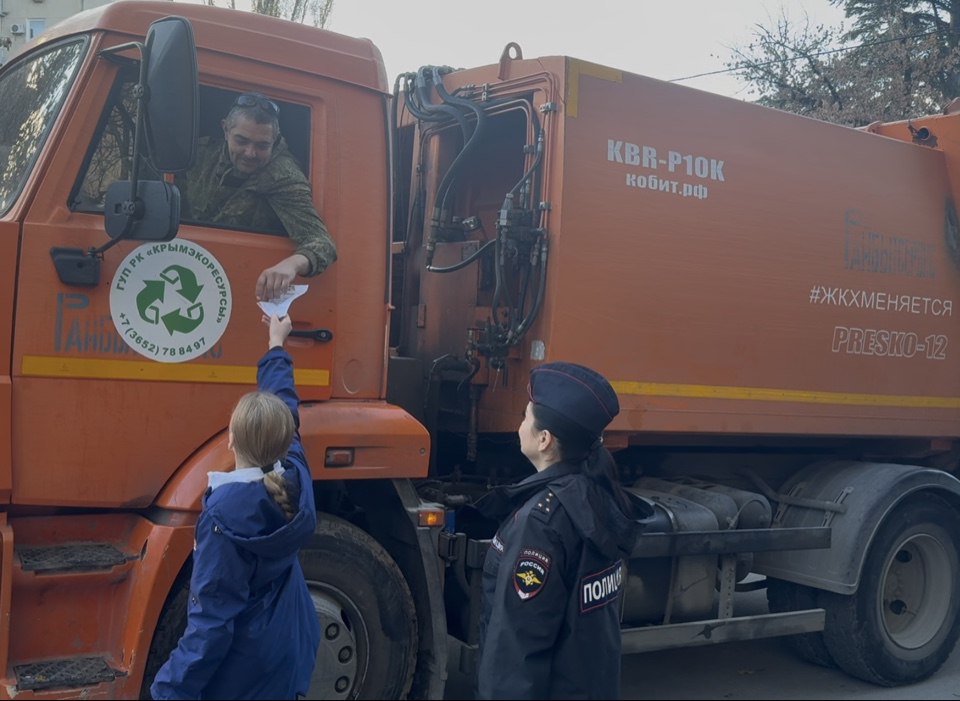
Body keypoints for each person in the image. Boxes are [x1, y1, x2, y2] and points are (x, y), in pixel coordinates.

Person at [150, 313, 321, 700]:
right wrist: (277, 342)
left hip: (245, 674)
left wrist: (167, 691)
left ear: (229, 438)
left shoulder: (221, 521)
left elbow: (210, 626)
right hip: (288, 650)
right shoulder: (294, 472)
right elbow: (284, 403)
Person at [475, 361, 642, 700]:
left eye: (525, 417)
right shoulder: (597, 500)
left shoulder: (541, 524)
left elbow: (517, 651)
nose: (520, 425)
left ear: (545, 439)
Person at [177, 91, 338, 302]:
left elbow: (323, 244)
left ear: (275, 140)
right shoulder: (199, 154)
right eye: (241, 141)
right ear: (225, 129)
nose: (250, 153)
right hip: (187, 267)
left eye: (262, 146)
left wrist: (291, 265)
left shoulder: (283, 175)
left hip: (239, 286)